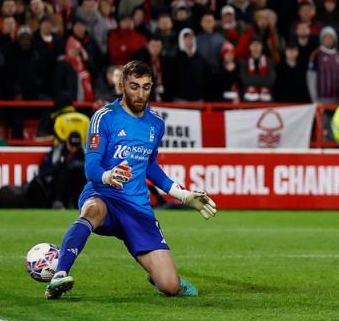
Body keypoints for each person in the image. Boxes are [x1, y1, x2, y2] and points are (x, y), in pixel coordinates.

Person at [44, 60, 219, 300]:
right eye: (134, 86)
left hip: (137, 208)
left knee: (170, 286)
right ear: (122, 85)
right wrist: (107, 175)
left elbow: (150, 166)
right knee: (92, 209)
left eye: (146, 87)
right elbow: (91, 167)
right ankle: (59, 274)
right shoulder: (104, 117)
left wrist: (182, 194)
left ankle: (157, 275)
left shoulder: (156, 124)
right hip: (105, 195)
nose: (140, 93)